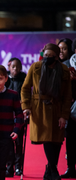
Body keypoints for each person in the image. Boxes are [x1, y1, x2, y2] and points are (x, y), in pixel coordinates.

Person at [21, 43, 72, 180]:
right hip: (39, 109)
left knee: (57, 141)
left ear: (56, 57)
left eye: (50, 56)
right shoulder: (35, 67)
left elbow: (67, 95)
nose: (47, 58)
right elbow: (25, 88)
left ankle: (49, 169)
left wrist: (64, 115)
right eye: (45, 55)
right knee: (47, 140)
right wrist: (26, 106)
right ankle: (54, 171)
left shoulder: (63, 70)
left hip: (57, 108)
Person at [4, 57, 26, 176]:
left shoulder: (24, 79)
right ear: (9, 67)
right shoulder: (5, 79)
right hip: (7, 115)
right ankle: (9, 167)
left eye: (18, 67)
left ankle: (18, 167)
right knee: (8, 143)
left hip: (19, 115)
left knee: (18, 143)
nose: (15, 69)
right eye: (13, 67)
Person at [60, 38, 76, 178]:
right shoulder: (64, 66)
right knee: (70, 140)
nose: (61, 52)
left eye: (64, 48)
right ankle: (71, 168)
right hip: (69, 109)